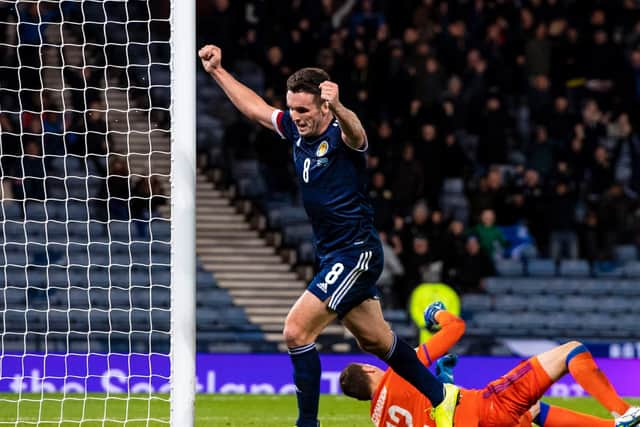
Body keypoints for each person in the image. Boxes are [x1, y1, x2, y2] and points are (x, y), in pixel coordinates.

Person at [198, 44, 457, 427]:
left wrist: (340, 107)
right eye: (292, 108)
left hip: (355, 254)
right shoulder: (295, 130)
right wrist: (218, 71)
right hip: (332, 254)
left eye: (304, 110)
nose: (295, 117)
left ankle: (308, 424)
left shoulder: (340, 136)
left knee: (295, 330)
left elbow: (358, 133)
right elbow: (255, 109)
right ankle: (442, 397)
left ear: (323, 106)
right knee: (377, 342)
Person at [340, 302, 640, 427]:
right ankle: (622, 413)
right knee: (572, 351)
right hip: (485, 410)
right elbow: (456, 329)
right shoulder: (399, 369)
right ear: (369, 369)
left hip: (473, 420)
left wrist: (444, 380)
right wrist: (437, 315)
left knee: (531, 410)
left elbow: (429, 411)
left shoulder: (380, 421)